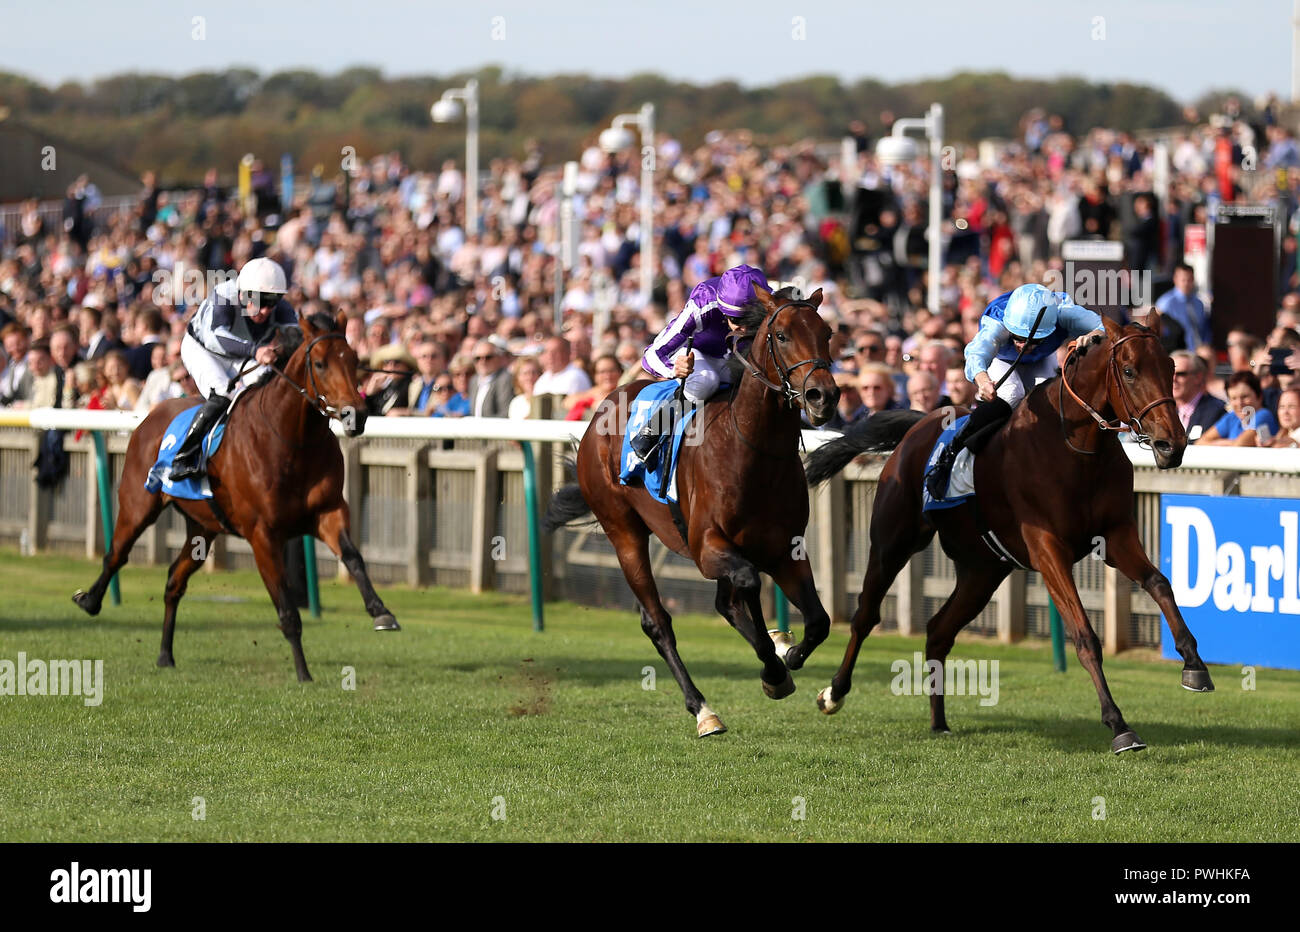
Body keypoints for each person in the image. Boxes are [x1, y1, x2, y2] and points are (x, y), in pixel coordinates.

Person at [926, 282, 1103, 500]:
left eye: (1034, 340)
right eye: (1018, 337)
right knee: (1012, 393)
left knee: (1051, 399)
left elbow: (1104, 327)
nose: (1023, 345)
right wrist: (983, 381)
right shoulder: (997, 324)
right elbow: (976, 356)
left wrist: (1093, 335)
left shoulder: (1064, 312)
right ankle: (951, 455)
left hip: (1040, 359)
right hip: (1001, 359)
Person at [172, 257, 296, 479]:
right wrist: (255, 351)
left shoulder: (282, 307)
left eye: (272, 302)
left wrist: (281, 348)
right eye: (260, 301)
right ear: (243, 294)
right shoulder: (224, 296)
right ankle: (184, 457)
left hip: (242, 353)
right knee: (224, 392)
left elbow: (297, 338)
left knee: (266, 385)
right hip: (202, 349)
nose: (266, 310)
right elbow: (216, 338)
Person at [630, 264, 770, 459]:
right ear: (722, 308)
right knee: (706, 380)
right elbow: (651, 355)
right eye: (736, 320)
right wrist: (674, 369)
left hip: (735, 358)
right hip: (699, 355)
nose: (744, 328)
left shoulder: (770, 302)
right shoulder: (703, 303)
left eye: (752, 319)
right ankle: (652, 430)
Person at [1199, 371, 1279, 446]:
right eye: (1234, 398)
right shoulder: (1232, 417)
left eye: (1244, 397)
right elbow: (1200, 443)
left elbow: (1239, 445)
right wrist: (1230, 443)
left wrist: (1218, 443)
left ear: (1259, 396)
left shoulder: (1263, 415)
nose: (1239, 403)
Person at [1170, 350, 1225, 442]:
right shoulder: (1165, 411)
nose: (1174, 379)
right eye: (1170, 373)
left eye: (1181, 374)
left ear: (1198, 377)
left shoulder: (1216, 410)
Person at [1155, 264, 1211, 351]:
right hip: (1177, 351)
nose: (1186, 283)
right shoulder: (1165, 303)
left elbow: (1203, 329)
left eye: (1189, 280)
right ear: (1175, 280)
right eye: (1183, 280)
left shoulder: (1199, 303)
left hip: (1198, 351)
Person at [467, 337, 514, 417]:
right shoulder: (474, 380)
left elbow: (505, 413)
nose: (482, 362)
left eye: (488, 357)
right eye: (478, 358)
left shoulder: (505, 379)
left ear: (499, 358)